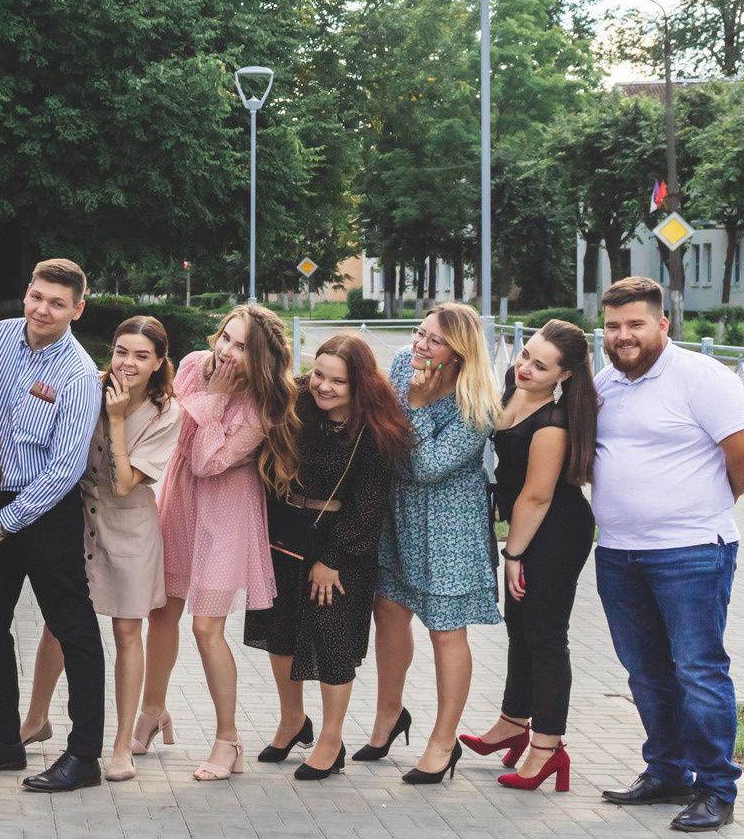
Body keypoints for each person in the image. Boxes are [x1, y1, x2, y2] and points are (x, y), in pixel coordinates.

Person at [588, 276, 744, 833]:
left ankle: (717, 788)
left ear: (663, 324)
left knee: (698, 670)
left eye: (636, 324)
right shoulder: (604, 383)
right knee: (645, 673)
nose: (624, 336)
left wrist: (711, 501)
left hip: (691, 552)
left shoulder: (701, 378)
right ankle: (667, 772)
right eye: (613, 326)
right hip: (619, 554)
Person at [0, 260, 106, 794]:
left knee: (73, 628)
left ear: (76, 310)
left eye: (57, 303)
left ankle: (84, 755)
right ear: (26, 293)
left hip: (44, 511)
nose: (43, 309)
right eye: (37, 296)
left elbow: (66, 468)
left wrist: (6, 523)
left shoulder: (81, 375)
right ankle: (3, 739)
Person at [20, 314, 181, 781]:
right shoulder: (85, 383)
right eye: (121, 352)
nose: (127, 363)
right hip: (76, 520)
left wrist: (113, 419)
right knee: (59, 623)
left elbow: (127, 482)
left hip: (129, 529)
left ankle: (121, 747)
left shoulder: (169, 412)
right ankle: (35, 720)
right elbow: (36, 403)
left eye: (141, 356)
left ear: (158, 362)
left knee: (128, 634)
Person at [242, 332, 407, 781]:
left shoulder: (374, 430)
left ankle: (332, 739)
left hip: (340, 544)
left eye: (339, 381)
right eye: (319, 374)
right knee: (278, 632)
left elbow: (369, 503)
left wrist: (333, 559)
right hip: (284, 533)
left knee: (332, 639)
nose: (324, 387)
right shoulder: (295, 400)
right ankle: (293, 721)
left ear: (361, 386)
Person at [144, 303, 292, 781]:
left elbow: (210, 462)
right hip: (180, 501)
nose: (226, 350)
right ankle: (151, 712)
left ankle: (228, 739)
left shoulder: (261, 406)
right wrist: (207, 394)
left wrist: (213, 399)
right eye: (225, 337)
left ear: (261, 358)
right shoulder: (190, 365)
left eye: (241, 346)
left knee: (206, 629)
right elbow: (169, 435)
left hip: (226, 512)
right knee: (161, 612)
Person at [459, 318, 598, 792]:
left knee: (545, 636)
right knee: (519, 627)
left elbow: (536, 497)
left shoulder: (554, 423)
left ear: (564, 376)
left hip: (554, 531)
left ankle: (548, 749)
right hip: (525, 526)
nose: (525, 368)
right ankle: (512, 725)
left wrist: (513, 554)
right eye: (525, 355)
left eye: (541, 366)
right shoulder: (511, 387)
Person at [362, 302, 499, 783]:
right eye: (420, 333)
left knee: (446, 630)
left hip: (448, 527)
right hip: (397, 515)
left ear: (459, 352)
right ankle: (388, 715)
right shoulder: (403, 363)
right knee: (388, 611)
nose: (420, 345)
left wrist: (417, 408)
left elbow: (425, 468)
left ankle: (444, 741)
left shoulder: (477, 403)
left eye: (433, 340)